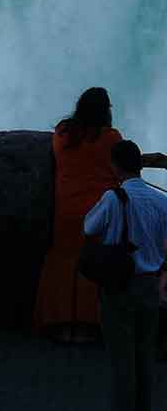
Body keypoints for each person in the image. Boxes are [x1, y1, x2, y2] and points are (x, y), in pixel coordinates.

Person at [83, 138, 167, 411]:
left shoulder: (113, 198)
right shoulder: (161, 201)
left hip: (118, 286)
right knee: (145, 357)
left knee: (122, 361)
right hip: (150, 285)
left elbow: (89, 227)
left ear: (115, 167)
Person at [34, 86, 122, 341]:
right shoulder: (110, 137)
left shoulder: (62, 133)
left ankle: (61, 323)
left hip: (65, 209)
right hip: (98, 210)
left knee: (64, 262)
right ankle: (90, 325)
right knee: (94, 264)